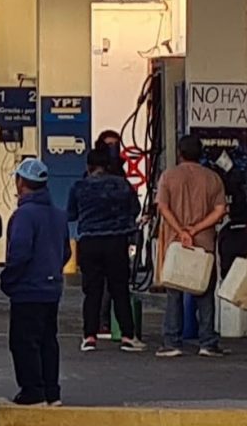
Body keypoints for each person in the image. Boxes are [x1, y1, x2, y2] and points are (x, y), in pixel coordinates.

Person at [1, 159, 71, 406]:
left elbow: (20, 253)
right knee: (47, 341)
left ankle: (32, 391)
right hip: (51, 289)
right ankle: (52, 392)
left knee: (23, 342)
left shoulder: (24, 215)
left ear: (21, 182)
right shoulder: (58, 215)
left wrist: (8, 280)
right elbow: (66, 252)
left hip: (27, 290)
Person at [155, 135, 228, 358]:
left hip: (175, 243)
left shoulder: (168, 176)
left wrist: (181, 231)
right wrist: (195, 230)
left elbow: (163, 207)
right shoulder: (213, 178)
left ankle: (172, 342)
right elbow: (220, 210)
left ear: (180, 152)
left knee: (174, 293)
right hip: (204, 243)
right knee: (204, 292)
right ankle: (208, 342)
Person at [68, 148, 146, 353]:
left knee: (92, 291)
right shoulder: (122, 184)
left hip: (89, 242)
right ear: (109, 165)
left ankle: (89, 336)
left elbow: (71, 214)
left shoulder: (79, 186)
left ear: (88, 166)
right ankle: (127, 336)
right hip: (116, 241)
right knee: (119, 289)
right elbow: (135, 209)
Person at [92, 130, 124, 338]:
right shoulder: (92, 175)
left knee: (116, 284)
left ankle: (114, 323)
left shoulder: (119, 172)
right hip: (99, 233)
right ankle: (101, 322)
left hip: (115, 232)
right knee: (99, 284)